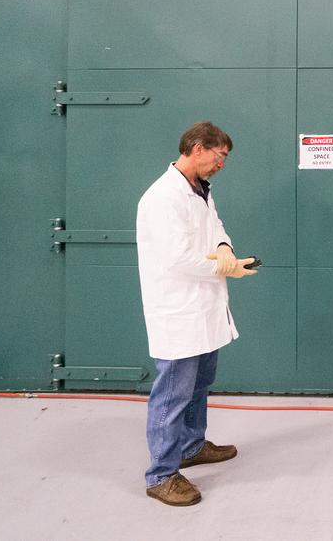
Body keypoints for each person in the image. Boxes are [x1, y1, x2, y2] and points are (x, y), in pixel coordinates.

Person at [136, 121, 257, 507]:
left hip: (203, 307)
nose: (222, 164)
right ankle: (161, 475)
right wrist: (225, 266)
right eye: (220, 156)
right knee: (173, 393)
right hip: (178, 309)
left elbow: (214, 226)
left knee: (200, 383)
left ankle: (190, 446)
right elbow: (176, 258)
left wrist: (223, 246)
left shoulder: (200, 190)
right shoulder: (162, 197)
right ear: (198, 148)